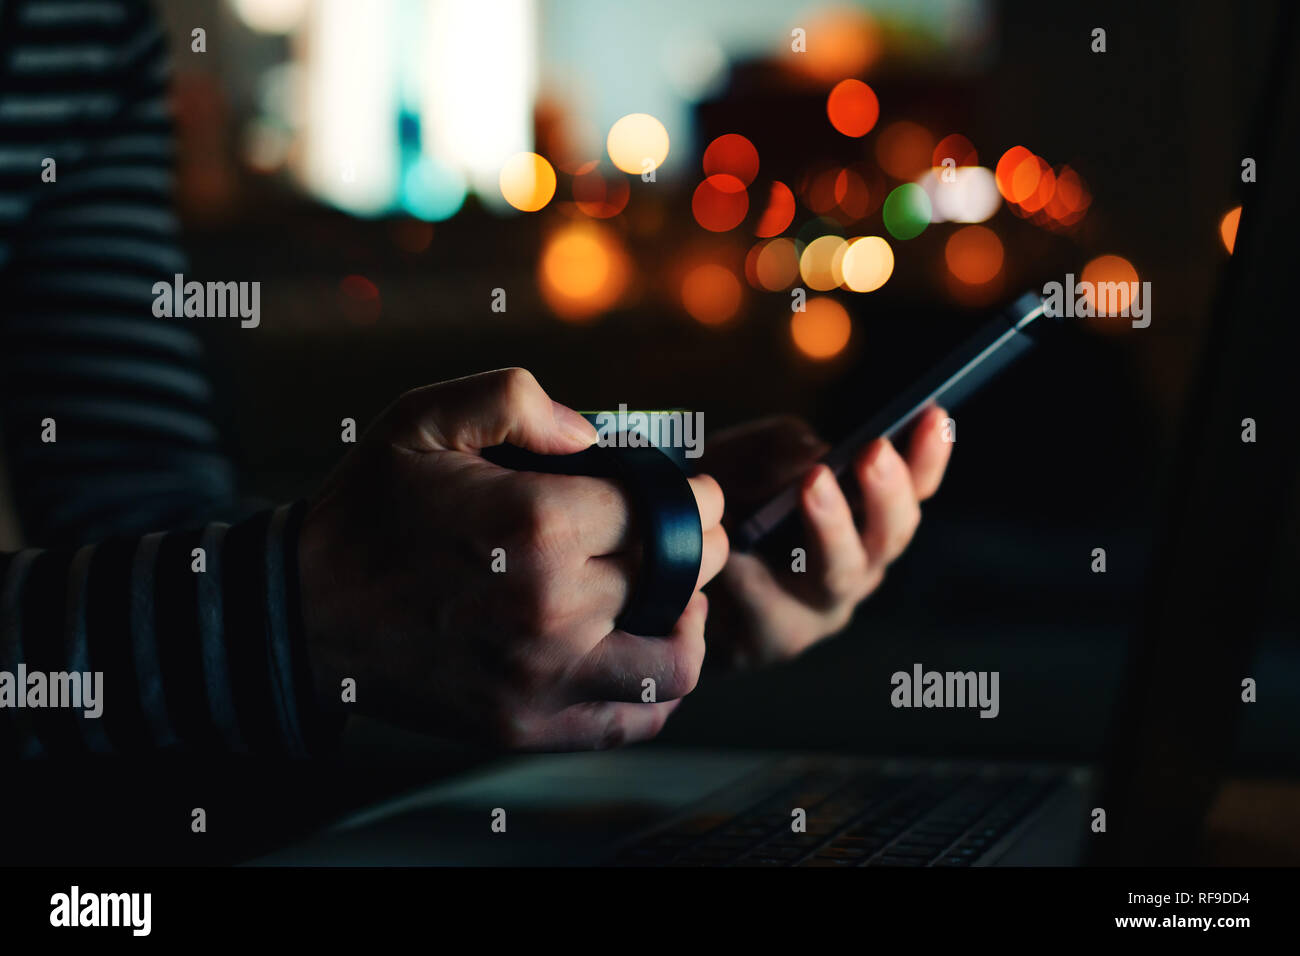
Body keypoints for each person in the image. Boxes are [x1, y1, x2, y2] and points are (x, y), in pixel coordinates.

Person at [0, 0, 951, 757]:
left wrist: (616, 585)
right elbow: (241, 603)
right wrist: (307, 612)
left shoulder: (91, 26)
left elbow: (132, 520)